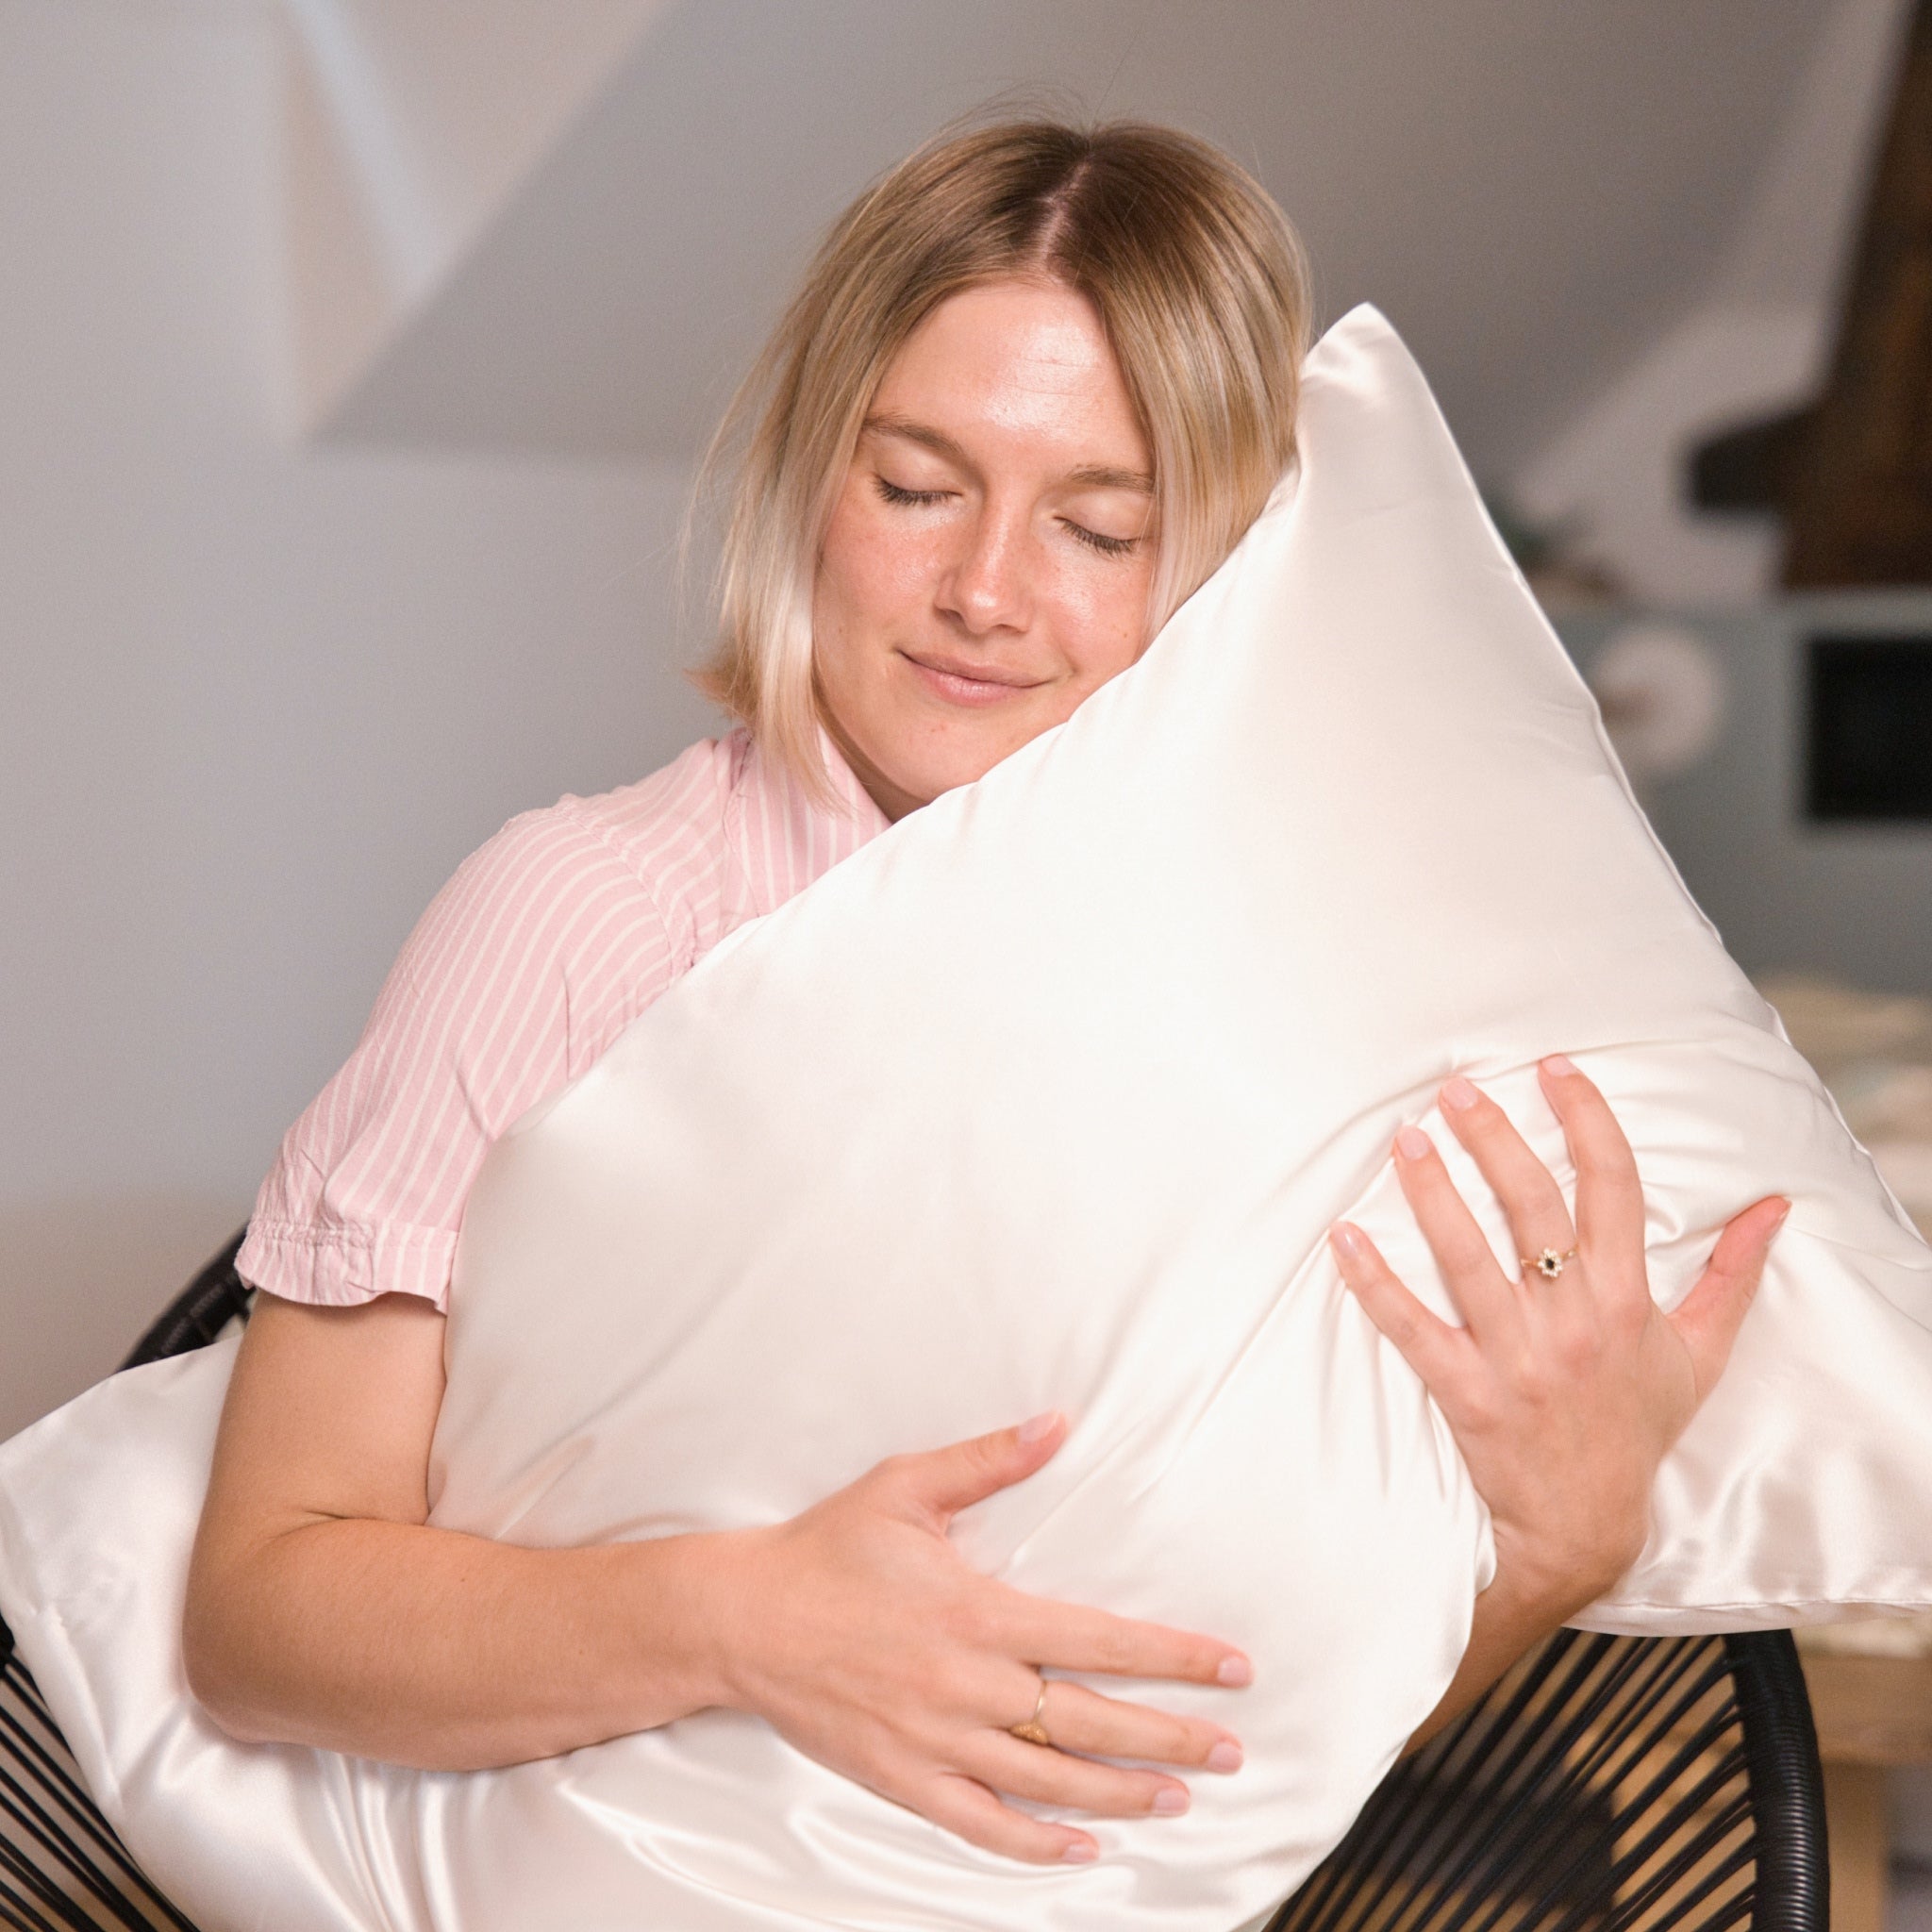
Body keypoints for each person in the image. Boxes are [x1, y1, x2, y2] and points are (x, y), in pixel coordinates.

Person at [182, 116, 1790, 1876]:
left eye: (1099, 528)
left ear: (1226, 574)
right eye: (917, 487)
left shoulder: (1292, 999)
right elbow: (262, 1619)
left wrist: (1554, 1547)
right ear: (811, 479)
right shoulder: (586, 918)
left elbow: (1235, 1752)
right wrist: (740, 1619)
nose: (986, 594)